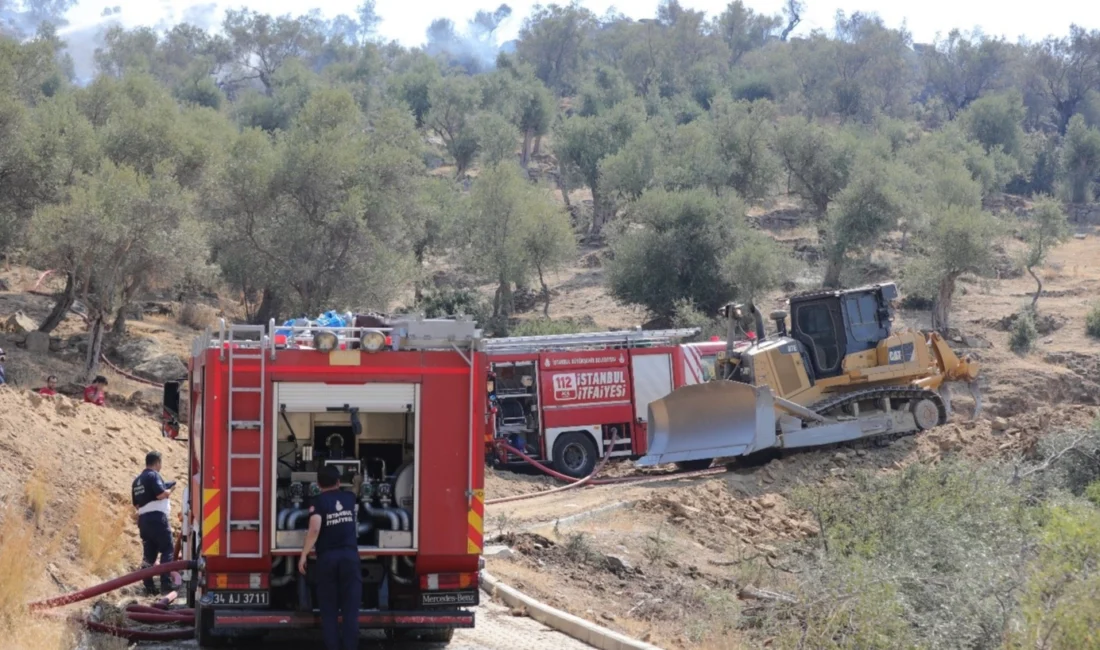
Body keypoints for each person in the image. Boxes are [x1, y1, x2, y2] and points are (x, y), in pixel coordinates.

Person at [299, 466, 361, 650]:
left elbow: (315, 528)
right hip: (350, 558)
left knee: (329, 610)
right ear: (339, 482)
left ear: (318, 484)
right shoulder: (349, 498)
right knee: (351, 611)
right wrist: (358, 480)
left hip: (327, 559)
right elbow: (355, 491)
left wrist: (304, 554)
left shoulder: (317, 502)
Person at [132, 451, 177, 595]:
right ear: (157, 462)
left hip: (144, 521)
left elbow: (137, 505)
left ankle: (149, 586)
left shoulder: (137, 481)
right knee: (167, 549)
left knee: (149, 555)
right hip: (158, 519)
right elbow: (160, 494)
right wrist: (169, 490)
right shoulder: (153, 475)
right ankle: (166, 583)